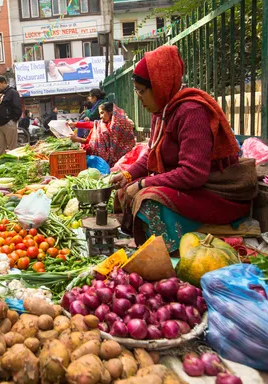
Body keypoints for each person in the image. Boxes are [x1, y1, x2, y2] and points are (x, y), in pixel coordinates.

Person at [110, 45, 257, 252]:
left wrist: (143, 183)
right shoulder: (161, 112)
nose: (139, 98)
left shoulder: (191, 111)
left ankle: (171, 249)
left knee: (148, 199)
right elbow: (152, 155)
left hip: (214, 192)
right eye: (137, 91)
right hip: (189, 188)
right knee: (127, 190)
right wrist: (127, 175)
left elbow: (193, 173)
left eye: (142, 91)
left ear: (160, 85)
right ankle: (144, 238)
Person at [69, 102, 136, 167]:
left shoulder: (120, 125)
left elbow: (93, 146)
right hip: (103, 161)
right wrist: (75, 125)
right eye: (100, 114)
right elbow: (92, 127)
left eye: (102, 113)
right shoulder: (102, 124)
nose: (100, 116)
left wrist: (78, 139)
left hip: (121, 162)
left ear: (110, 113)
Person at [0, 76, 22, 161]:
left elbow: (18, 108)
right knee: (0, 145)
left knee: (12, 146)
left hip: (9, 123)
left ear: (4, 82)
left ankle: (14, 162)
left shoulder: (13, 92)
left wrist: (13, 120)